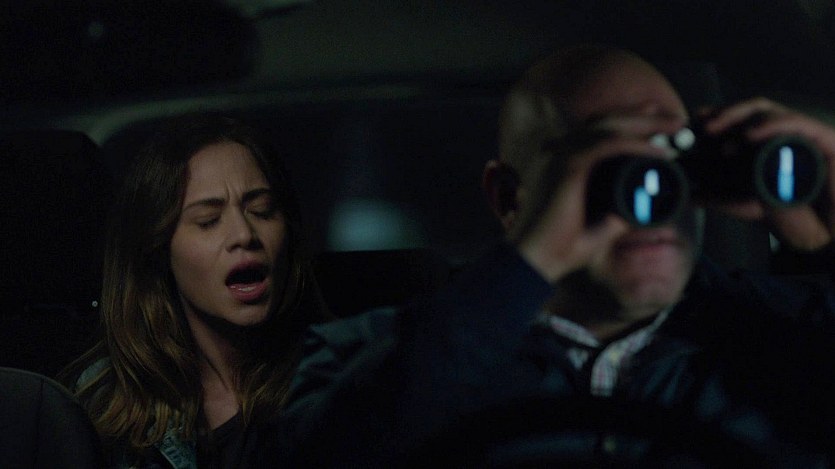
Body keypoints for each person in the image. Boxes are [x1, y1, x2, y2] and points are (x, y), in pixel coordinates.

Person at [261, 44, 835, 466]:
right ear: (510, 198)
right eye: (612, 165)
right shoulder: (359, 355)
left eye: (674, 159)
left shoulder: (793, 331)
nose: (653, 199)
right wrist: (523, 269)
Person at [60, 113, 330, 468]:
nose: (244, 235)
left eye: (262, 211)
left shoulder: (345, 382)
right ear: (159, 250)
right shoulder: (104, 406)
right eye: (208, 221)